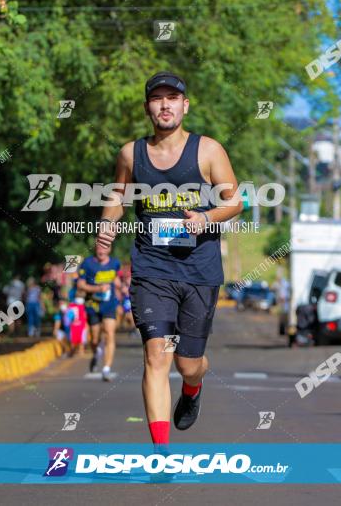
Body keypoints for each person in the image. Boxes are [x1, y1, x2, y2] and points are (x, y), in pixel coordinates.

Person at [95, 72, 242, 449]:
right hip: (151, 268)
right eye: (157, 98)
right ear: (148, 107)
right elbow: (116, 198)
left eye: (172, 98)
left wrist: (206, 218)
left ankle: (194, 388)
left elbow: (235, 202)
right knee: (156, 355)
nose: (165, 105)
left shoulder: (208, 151)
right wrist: (107, 227)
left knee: (187, 363)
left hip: (199, 270)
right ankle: (161, 453)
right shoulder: (131, 154)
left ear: (184, 106)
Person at [77, 244, 122, 382]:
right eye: (99, 248)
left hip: (109, 304)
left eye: (105, 248)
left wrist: (120, 289)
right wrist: (97, 289)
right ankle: (96, 353)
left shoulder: (115, 263)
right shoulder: (87, 264)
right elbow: (80, 284)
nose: (102, 251)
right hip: (93, 305)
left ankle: (106, 368)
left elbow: (115, 279)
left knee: (109, 333)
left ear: (109, 249)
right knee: (95, 338)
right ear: (96, 249)